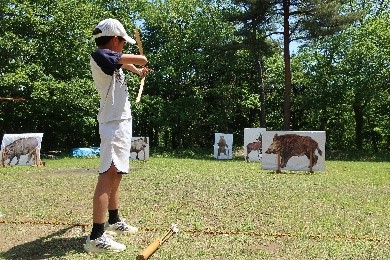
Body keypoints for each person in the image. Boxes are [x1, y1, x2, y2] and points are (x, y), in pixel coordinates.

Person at [84, 18, 149, 253]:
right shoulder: (100, 55)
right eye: (122, 42)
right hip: (112, 123)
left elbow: (126, 65)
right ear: (114, 40)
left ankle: (113, 219)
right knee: (107, 174)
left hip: (120, 122)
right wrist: (141, 60)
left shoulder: (112, 59)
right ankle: (96, 236)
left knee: (117, 173)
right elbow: (130, 59)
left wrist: (138, 71)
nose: (123, 46)